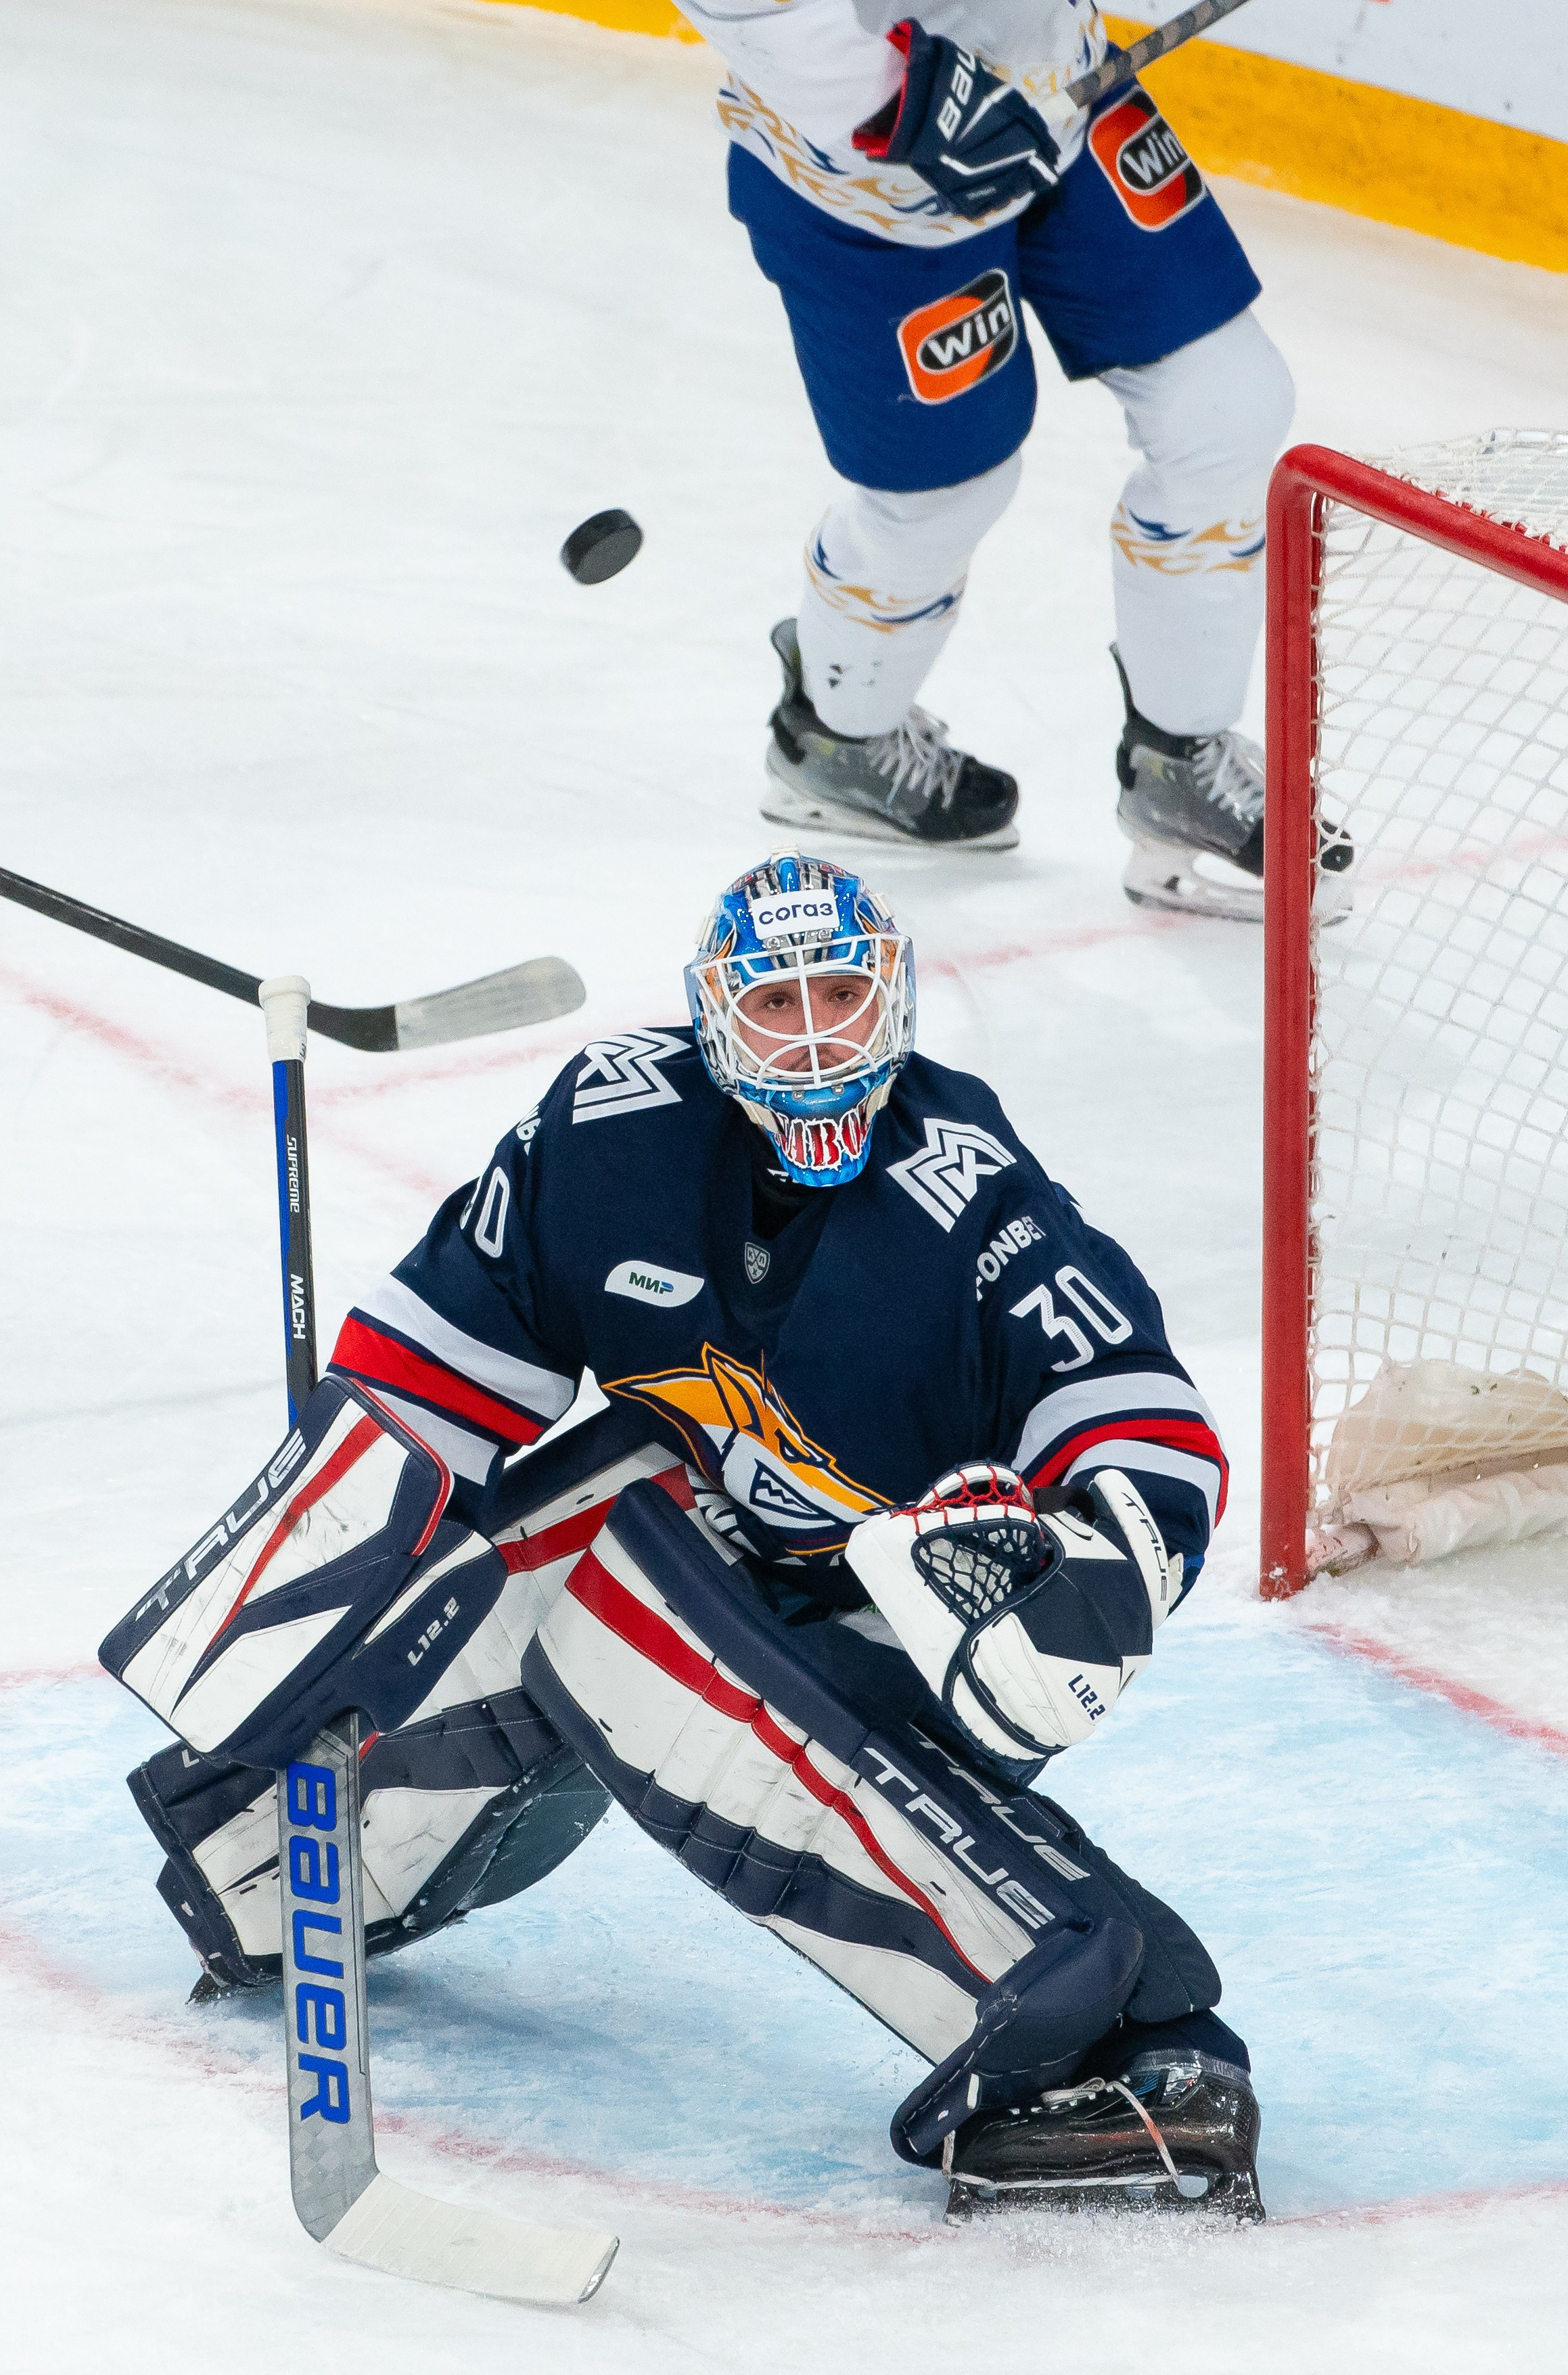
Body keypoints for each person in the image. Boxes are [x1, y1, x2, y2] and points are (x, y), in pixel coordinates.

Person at [108, 853, 1252, 2215]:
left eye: (842, 989)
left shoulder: (967, 1196)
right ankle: (278, 1844)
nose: (818, 1032)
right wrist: (314, 1583)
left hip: (880, 1611)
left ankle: (1086, 2032)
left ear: (893, 998)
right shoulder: (612, 1134)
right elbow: (425, 1382)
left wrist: (1100, 1565)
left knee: (623, 1597)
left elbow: (1132, 1417)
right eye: (779, 1002)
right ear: (716, 1022)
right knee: (601, 1518)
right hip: (699, 1554)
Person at [660, 0, 1490, 913]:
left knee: (1229, 407)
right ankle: (836, 736)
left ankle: (1176, 762)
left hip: (1062, 104)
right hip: (866, 191)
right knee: (943, 501)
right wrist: (898, 98)